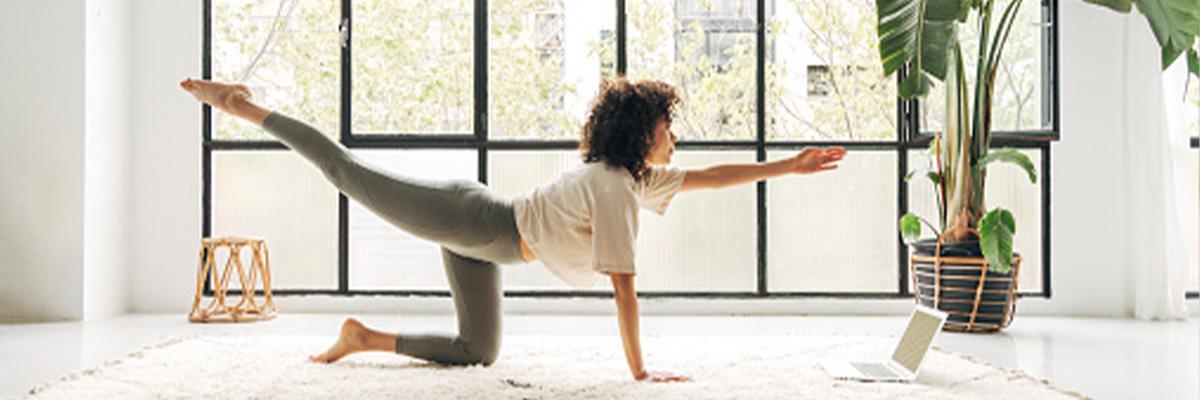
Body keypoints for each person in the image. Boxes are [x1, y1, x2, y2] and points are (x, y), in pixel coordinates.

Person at [180, 77, 845, 383]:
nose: (677, 140)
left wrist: (790, 165)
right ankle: (241, 104)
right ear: (644, 132)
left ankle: (362, 337)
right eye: (668, 128)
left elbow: (709, 177)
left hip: (489, 246)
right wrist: (641, 373)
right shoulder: (615, 186)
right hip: (473, 220)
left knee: (479, 351)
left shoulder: (631, 177)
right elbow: (625, 289)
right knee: (348, 172)